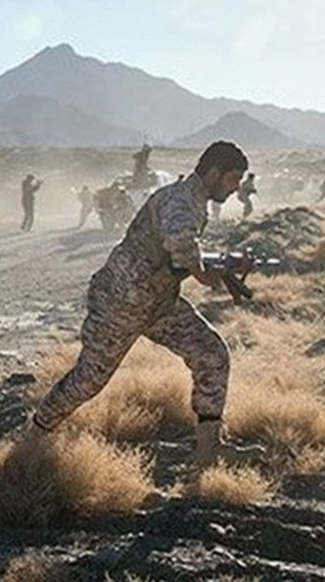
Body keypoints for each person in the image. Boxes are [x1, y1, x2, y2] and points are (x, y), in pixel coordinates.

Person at [30, 141, 262, 475]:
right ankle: (36, 433)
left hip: (157, 303)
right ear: (212, 172)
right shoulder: (181, 201)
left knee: (212, 354)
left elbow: (177, 251)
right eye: (232, 178)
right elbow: (181, 247)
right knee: (89, 379)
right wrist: (211, 272)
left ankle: (209, 450)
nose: (236, 187)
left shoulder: (191, 199)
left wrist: (223, 262)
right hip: (119, 303)